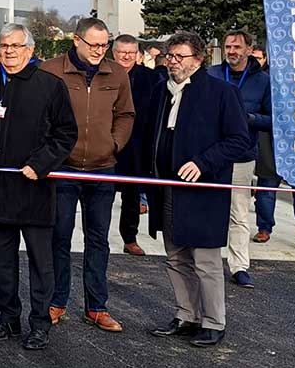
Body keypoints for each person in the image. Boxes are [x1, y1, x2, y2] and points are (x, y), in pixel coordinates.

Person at [143, 33, 254, 348]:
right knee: (176, 257)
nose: (172, 62)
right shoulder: (161, 92)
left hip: (203, 191)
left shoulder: (222, 93)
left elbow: (239, 140)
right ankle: (186, 316)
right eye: (170, 56)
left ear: (198, 59)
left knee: (205, 260)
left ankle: (213, 322)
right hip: (166, 188)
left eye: (180, 56)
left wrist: (203, 162)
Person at [0, 23, 78, 351]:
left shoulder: (49, 85)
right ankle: (7, 318)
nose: (9, 51)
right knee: (3, 260)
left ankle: (40, 323)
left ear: (30, 51)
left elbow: (66, 134)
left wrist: (41, 164)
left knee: (40, 262)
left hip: (33, 188)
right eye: (4, 45)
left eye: (16, 46)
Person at [39, 17, 134, 332]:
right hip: (62, 170)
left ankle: (97, 307)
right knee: (60, 237)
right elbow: (39, 115)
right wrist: (49, 152)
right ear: (76, 41)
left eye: (104, 44)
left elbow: (125, 114)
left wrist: (115, 144)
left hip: (102, 169)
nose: (99, 50)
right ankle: (56, 302)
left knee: (99, 240)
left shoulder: (117, 73)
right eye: (93, 44)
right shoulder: (50, 70)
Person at [221, 31, 295, 258]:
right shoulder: (269, 79)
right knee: (267, 187)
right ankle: (264, 228)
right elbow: (270, 113)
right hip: (269, 141)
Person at [204, 30, 263, 287]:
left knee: (238, 214)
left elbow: (275, 119)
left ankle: (239, 266)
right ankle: (206, 261)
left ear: (249, 49)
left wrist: (248, 119)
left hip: (242, 155)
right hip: (212, 155)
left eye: (237, 47)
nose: (232, 51)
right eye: (228, 46)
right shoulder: (212, 75)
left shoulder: (263, 81)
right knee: (208, 210)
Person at [112, 34, 164, 256]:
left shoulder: (151, 78)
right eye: (122, 52)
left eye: (131, 52)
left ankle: (129, 238)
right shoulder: (101, 75)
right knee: (100, 195)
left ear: (138, 55)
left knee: (132, 196)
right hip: (106, 143)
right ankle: (96, 237)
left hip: (137, 144)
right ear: (113, 53)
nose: (126, 56)